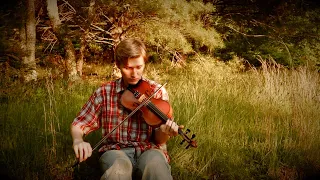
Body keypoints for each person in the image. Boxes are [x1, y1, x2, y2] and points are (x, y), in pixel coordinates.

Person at [71, 38, 180, 180]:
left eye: (139, 67)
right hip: (115, 151)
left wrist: (165, 133)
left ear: (144, 63)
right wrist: (78, 140)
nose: (134, 74)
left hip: (150, 150)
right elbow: (80, 123)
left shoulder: (157, 91)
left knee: (156, 167)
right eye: (128, 68)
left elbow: (159, 140)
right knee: (119, 170)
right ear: (118, 65)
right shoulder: (105, 91)